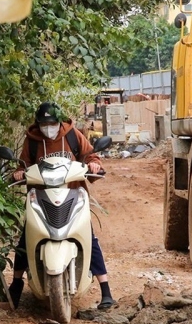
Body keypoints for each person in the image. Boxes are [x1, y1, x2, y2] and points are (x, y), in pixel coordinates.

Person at [8, 102, 115, 311]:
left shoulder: (73, 135)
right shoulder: (32, 141)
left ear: (59, 122)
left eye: (52, 123)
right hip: (41, 195)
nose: (48, 127)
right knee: (26, 234)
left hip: (72, 193)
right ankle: (16, 282)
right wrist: (19, 173)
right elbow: (23, 165)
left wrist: (94, 164)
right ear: (38, 124)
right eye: (43, 124)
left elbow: (91, 155)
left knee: (87, 235)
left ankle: (106, 289)